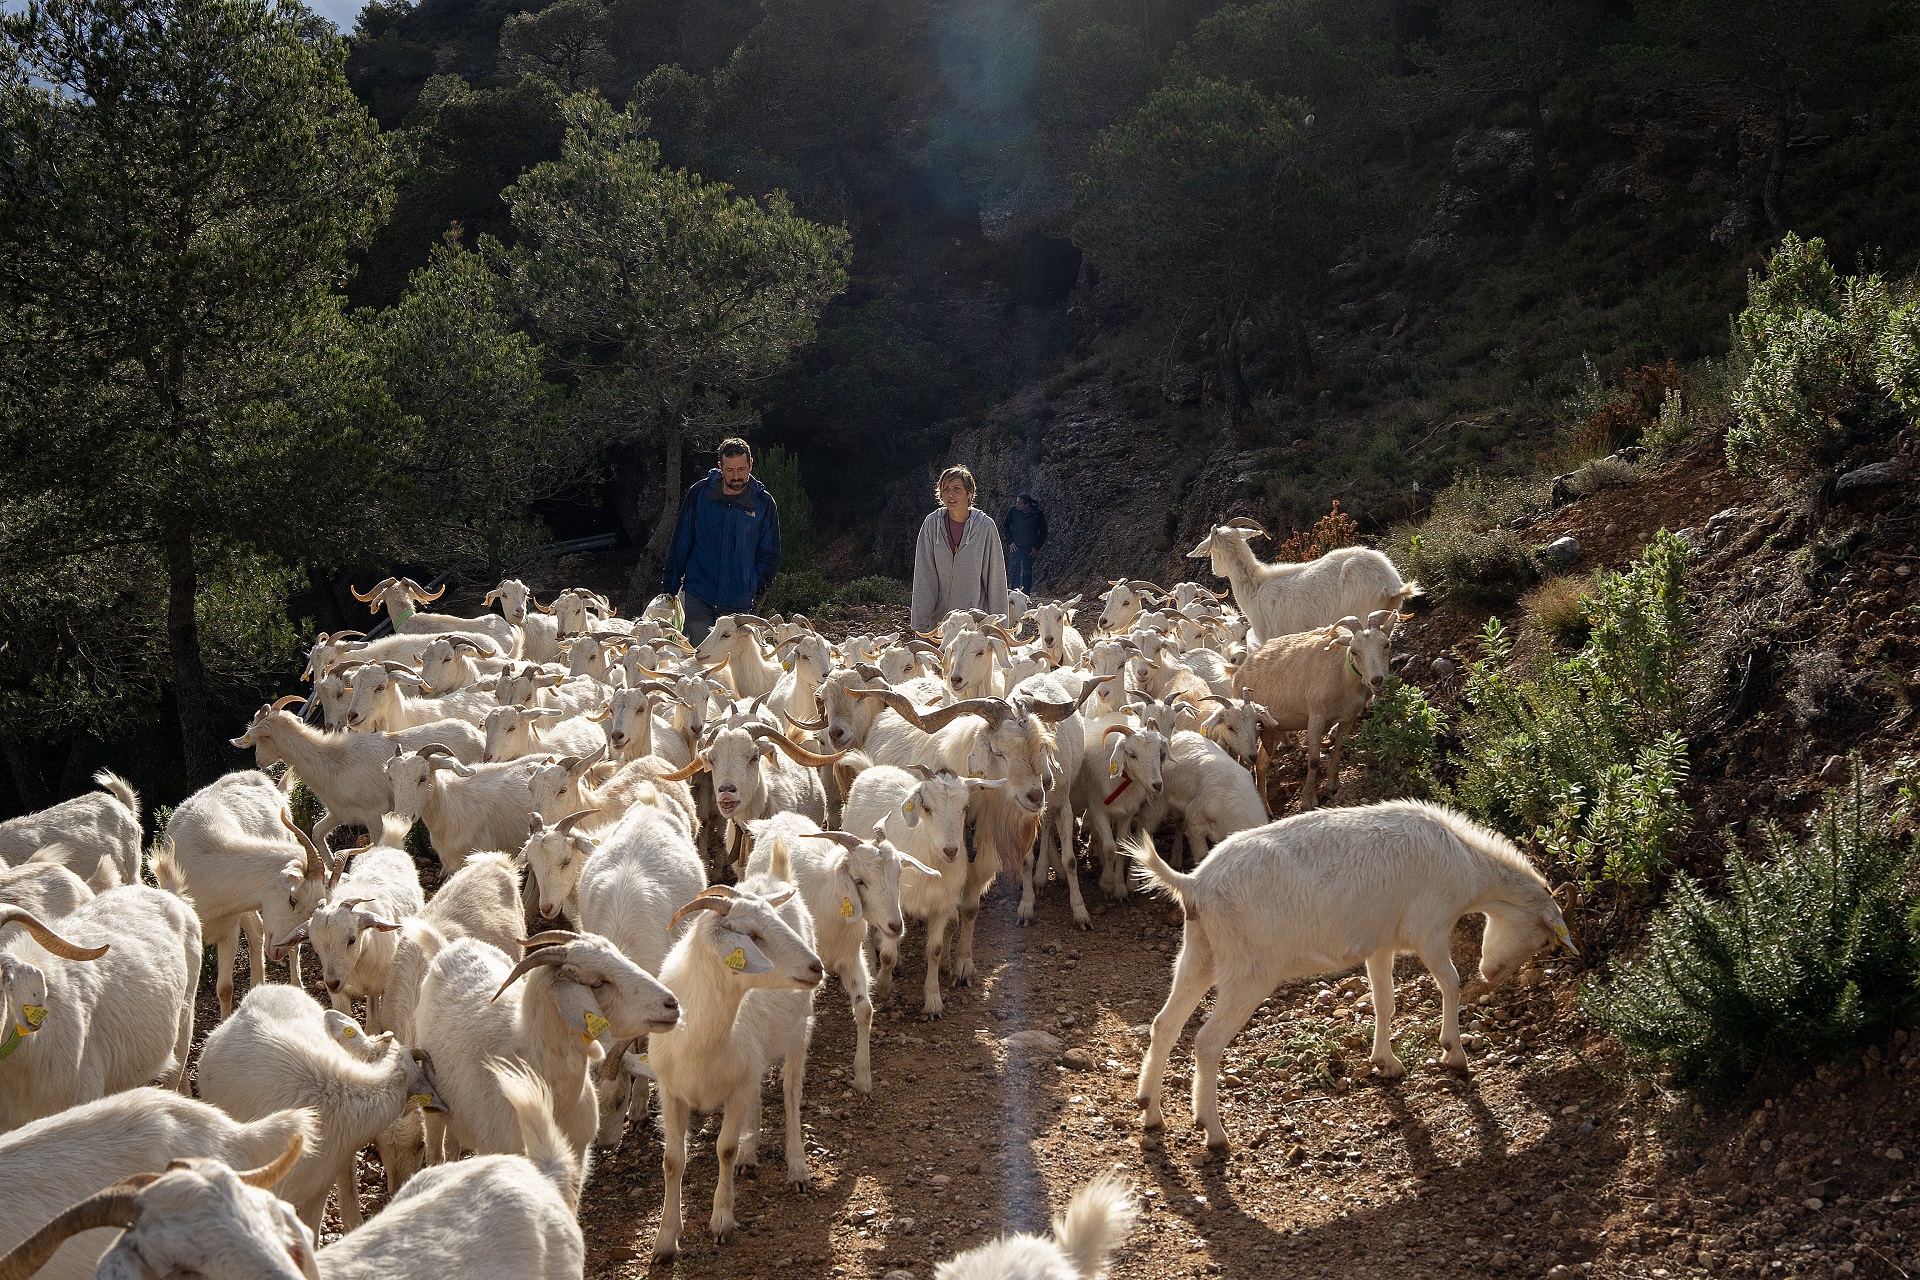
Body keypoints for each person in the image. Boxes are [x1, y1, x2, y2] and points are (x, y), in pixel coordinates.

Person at [660, 438, 781, 645]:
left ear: (751, 464)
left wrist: (753, 586)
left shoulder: (763, 503)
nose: (736, 476)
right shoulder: (700, 494)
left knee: (730, 668)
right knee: (698, 661)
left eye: (742, 469)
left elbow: (769, 553)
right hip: (698, 594)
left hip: (738, 602)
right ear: (720, 467)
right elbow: (681, 541)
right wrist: (669, 589)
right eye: (730, 470)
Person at [911, 464, 1009, 632]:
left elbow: (996, 579)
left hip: (974, 626)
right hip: (940, 626)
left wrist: (1000, 630)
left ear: (969, 493)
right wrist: (920, 627)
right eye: (946, 489)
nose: (951, 495)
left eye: (957, 489)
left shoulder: (985, 526)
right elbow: (923, 577)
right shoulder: (931, 525)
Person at [1001, 492, 1047, 593]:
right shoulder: (1013, 511)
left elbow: (1043, 531)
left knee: (1027, 571)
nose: (1017, 505)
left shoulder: (1037, 514)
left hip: (1030, 548)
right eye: (1017, 502)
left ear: (1027, 505)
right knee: (1015, 569)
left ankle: (1026, 595)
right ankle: (1014, 593)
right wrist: (1011, 542)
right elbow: (1006, 526)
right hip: (1016, 546)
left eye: (1020, 503)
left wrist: (1036, 547)